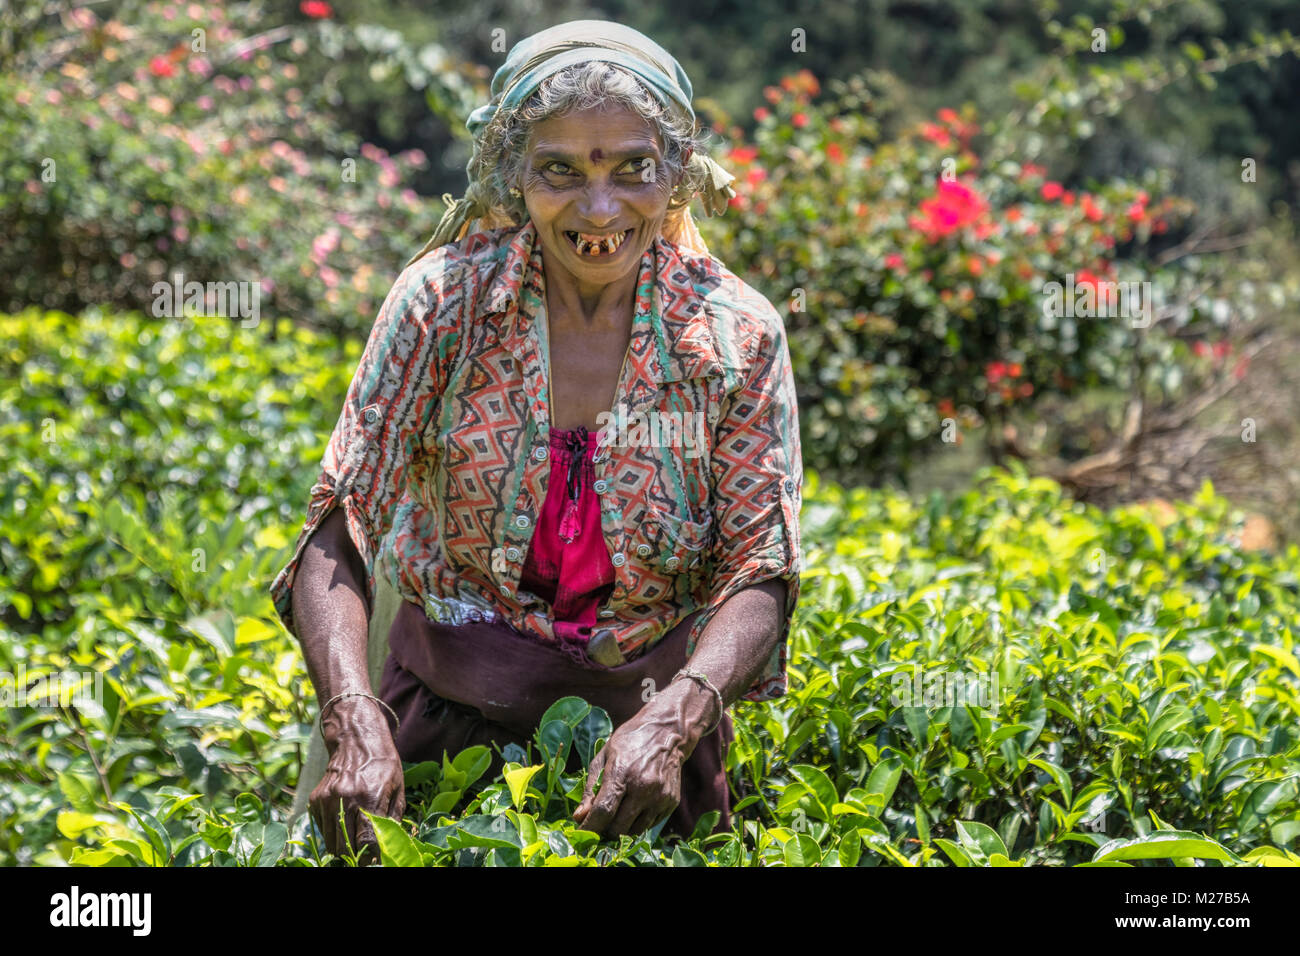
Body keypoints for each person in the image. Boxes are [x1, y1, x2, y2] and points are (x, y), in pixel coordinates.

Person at [269, 19, 803, 859]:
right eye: (561, 170)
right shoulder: (444, 305)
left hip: (649, 756)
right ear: (515, 177)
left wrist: (678, 716)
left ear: (678, 177)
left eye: (634, 169)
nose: (600, 208)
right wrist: (351, 716)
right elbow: (341, 518)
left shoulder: (734, 335)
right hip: (438, 735)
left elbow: (761, 564)